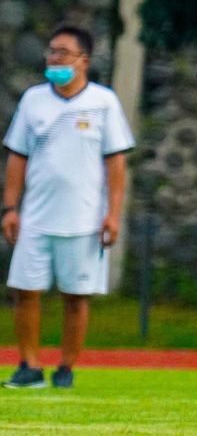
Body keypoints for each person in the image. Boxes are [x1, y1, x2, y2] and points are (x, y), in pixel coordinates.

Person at [2, 25, 135, 389]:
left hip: (84, 220)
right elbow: (17, 156)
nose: (54, 59)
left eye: (62, 52)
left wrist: (113, 214)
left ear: (83, 60)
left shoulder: (103, 102)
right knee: (25, 292)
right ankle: (29, 366)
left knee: (76, 297)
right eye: (51, 52)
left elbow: (116, 163)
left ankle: (66, 368)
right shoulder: (33, 100)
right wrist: (10, 208)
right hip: (36, 218)